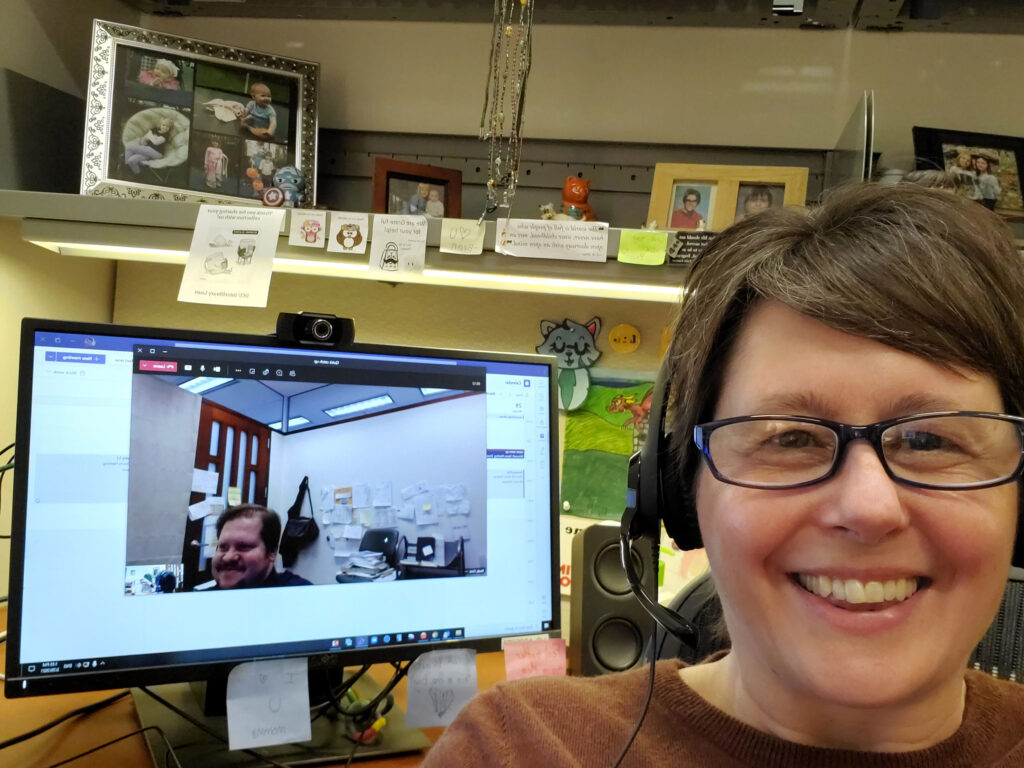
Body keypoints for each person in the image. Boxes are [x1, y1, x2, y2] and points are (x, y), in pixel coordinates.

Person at [422, 183, 1024, 766]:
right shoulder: (519, 751)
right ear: (683, 494)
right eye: (790, 438)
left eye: (929, 439)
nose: (868, 508)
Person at [209, 504, 311, 589]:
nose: (227, 557)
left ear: (272, 552)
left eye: (243, 547)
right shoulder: (200, 602)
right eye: (223, 547)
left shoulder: (301, 596)